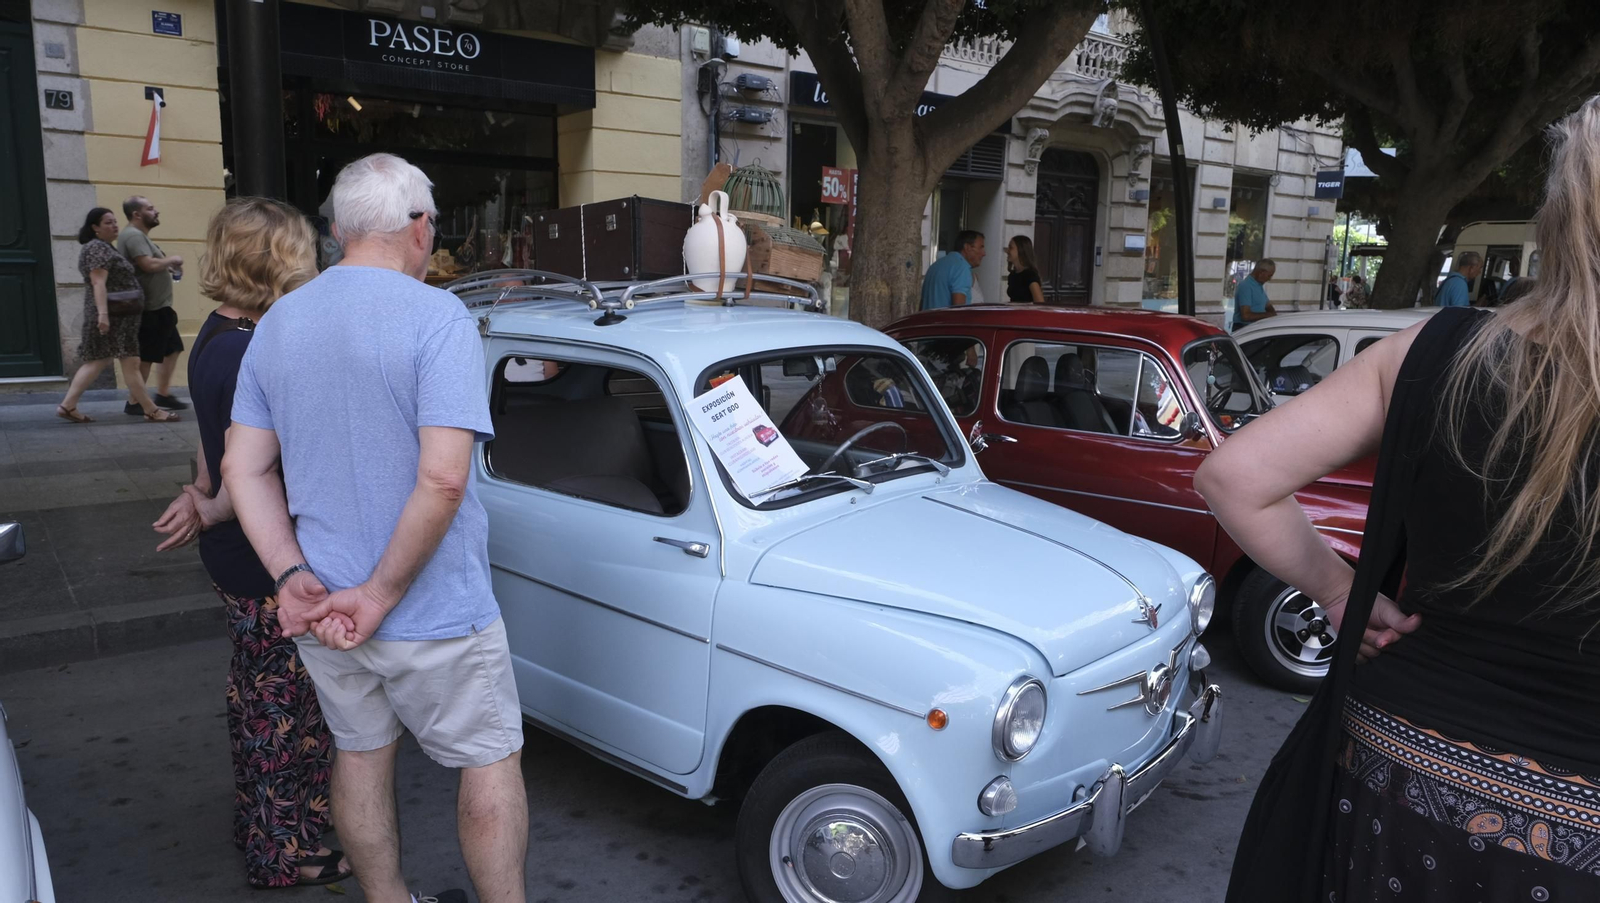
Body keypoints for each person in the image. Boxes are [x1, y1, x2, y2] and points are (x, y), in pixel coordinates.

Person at [1199, 97, 1600, 902]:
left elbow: (1233, 476)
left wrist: (1342, 591)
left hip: (1391, 772)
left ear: (1556, 214)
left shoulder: (1433, 352)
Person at [222, 153, 525, 903]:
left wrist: (292, 577)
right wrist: (383, 591)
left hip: (324, 605)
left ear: (336, 231)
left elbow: (243, 469)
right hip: (432, 608)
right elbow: (445, 476)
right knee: (488, 760)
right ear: (420, 229)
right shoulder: (439, 317)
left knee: (359, 755)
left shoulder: (279, 321)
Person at [151, 198, 349, 888]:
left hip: (237, 559)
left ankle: (260, 827)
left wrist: (198, 496)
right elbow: (246, 469)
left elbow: (211, 451)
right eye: (303, 249)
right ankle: (284, 854)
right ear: (278, 261)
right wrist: (208, 507)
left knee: (256, 702)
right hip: (267, 560)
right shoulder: (254, 351)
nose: (315, 260)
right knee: (285, 715)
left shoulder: (216, 332)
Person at [54, 208, 180, 424]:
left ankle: (68, 405)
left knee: (106, 361)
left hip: (121, 320)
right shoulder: (96, 249)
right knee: (122, 362)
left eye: (114, 221)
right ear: (95, 227)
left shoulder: (104, 248)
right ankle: (151, 410)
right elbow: (98, 282)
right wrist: (103, 315)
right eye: (107, 222)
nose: (114, 226)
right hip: (113, 318)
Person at [117, 195, 188, 414]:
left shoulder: (141, 237)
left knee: (173, 348)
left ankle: (163, 394)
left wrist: (168, 267)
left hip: (160, 307)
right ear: (137, 214)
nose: (156, 211)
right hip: (150, 309)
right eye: (150, 208)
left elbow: (152, 264)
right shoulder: (133, 235)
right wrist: (172, 260)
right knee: (147, 356)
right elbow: (147, 265)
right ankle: (135, 402)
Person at [920, 230, 985, 310]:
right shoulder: (961, 268)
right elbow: (958, 311)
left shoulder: (936, 265)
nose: (984, 253)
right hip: (947, 322)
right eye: (981, 247)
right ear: (967, 247)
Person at [1230, 259, 1277, 330]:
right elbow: (1246, 316)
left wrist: (1270, 314)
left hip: (1256, 328)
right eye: (1269, 275)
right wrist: (1268, 315)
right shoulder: (1246, 286)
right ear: (1261, 272)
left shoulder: (1259, 286)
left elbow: (1268, 307)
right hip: (1245, 329)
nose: (1269, 279)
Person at [1005, 236, 1045, 304]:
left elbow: (1039, 303)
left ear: (1021, 250)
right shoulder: (1012, 275)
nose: (1007, 251)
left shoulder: (1030, 275)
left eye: (1011, 248)